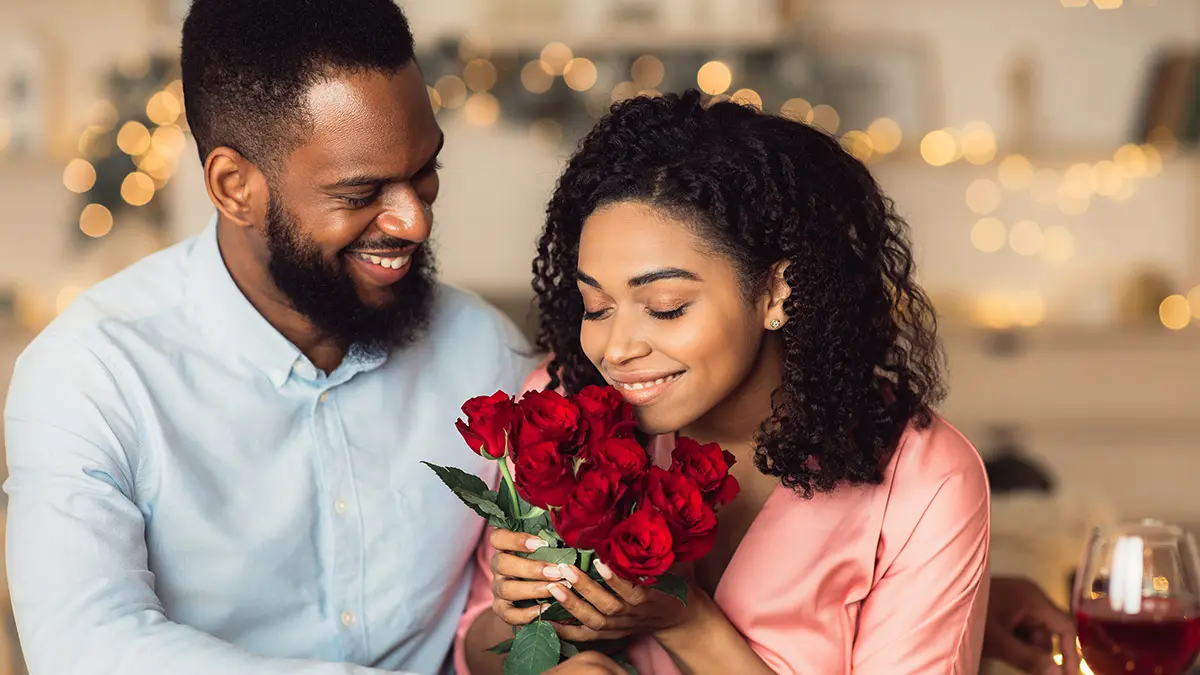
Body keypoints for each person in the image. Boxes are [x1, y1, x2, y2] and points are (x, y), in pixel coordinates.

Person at [0, 1, 627, 673]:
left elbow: (497, 621)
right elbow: (86, 647)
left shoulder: (487, 353)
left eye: (423, 172)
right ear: (234, 186)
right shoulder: (91, 375)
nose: (414, 221)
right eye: (361, 193)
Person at [455, 89, 993, 674]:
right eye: (596, 306)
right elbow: (473, 653)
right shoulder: (563, 413)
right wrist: (518, 617)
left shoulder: (924, 482)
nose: (616, 349)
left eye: (664, 307)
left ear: (776, 291)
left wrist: (685, 620)